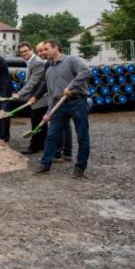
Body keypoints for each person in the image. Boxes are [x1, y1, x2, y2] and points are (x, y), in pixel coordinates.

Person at [34, 40, 92, 178]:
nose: (44, 52)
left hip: (78, 102)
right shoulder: (49, 70)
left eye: (46, 49)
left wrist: (71, 86)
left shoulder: (72, 60)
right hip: (59, 106)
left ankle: (80, 167)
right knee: (52, 135)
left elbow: (86, 71)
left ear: (56, 48)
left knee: (82, 136)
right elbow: (51, 95)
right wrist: (48, 113)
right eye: (43, 50)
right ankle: (45, 163)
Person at [35, 42, 72, 161]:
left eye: (44, 50)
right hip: (57, 97)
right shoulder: (49, 64)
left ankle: (58, 153)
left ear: (53, 49)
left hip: (61, 98)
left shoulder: (57, 63)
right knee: (65, 125)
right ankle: (66, 152)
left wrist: (36, 97)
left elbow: (45, 85)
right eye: (40, 51)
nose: (41, 53)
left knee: (57, 126)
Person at [11, 42, 48, 155]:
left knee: (36, 122)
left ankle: (34, 147)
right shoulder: (30, 61)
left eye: (26, 51)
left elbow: (33, 82)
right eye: (21, 52)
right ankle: (42, 145)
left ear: (31, 50)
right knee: (41, 123)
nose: (24, 53)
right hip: (37, 96)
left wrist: (20, 94)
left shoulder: (37, 62)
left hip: (39, 97)